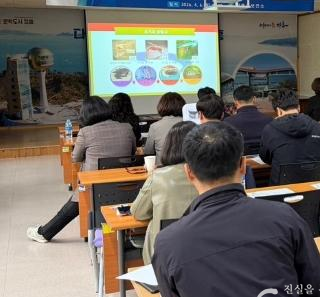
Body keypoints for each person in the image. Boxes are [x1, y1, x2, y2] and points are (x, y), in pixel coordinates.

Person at [153, 122, 320, 297]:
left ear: (189, 172)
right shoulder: (284, 217)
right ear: (243, 165)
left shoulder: (169, 241)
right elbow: (316, 285)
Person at [27, 97, 135, 242]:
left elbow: (75, 157)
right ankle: (46, 232)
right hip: (125, 184)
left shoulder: (86, 132)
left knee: (77, 199)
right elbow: (132, 152)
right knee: (77, 199)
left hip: (94, 185)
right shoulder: (126, 127)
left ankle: (45, 233)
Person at [132, 121, 197, 264]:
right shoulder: (210, 176)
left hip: (163, 257)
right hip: (202, 252)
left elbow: (138, 212)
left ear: (169, 146)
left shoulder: (158, 177)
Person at [259, 89, 320, 185]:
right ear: (298, 108)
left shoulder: (270, 129)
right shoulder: (318, 127)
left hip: (281, 188)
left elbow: (265, 157)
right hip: (313, 187)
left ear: (278, 111)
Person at [224, 86, 272, 152]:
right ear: (254, 99)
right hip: (265, 157)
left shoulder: (228, 122)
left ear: (235, 101)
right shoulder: (269, 120)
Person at [144, 92, 185, 164]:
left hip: (162, 168)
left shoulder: (154, 126)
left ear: (161, 106)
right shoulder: (190, 123)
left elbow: (148, 152)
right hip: (186, 168)